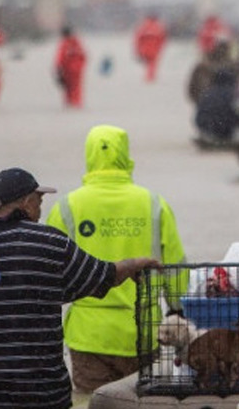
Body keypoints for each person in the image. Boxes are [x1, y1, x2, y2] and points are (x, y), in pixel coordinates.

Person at [0, 167, 161, 409]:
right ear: (26, 202)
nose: (40, 207)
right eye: (39, 200)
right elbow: (103, 276)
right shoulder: (50, 243)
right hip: (43, 400)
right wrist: (135, 264)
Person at [45, 125, 188, 393]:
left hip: (89, 336)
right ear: (125, 155)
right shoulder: (153, 203)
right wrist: (177, 309)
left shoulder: (67, 207)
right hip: (144, 332)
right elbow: (176, 267)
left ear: (89, 156)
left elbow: (48, 272)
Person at [195, 66, 239, 144]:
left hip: (207, 127)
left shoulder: (207, 94)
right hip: (227, 128)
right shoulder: (234, 94)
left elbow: (199, 115)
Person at [54, 25, 87, 108]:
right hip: (77, 70)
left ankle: (70, 104)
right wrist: (80, 66)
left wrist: (58, 68)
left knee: (68, 88)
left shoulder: (64, 44)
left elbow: (60, 57)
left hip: (67, 70)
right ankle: (76, 103)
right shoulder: (77, 43)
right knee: (76, 87)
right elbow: (84, 56)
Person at [134, 14, 167, 83]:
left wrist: (138, 49)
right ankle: (150, 76)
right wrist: (160, 47)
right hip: (155, 48)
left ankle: (148, 76)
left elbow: (138, 38)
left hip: (144, 48)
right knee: (153, 63)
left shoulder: (143, 27)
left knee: (148, 62)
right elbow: (162, 39)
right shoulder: (159, 27)